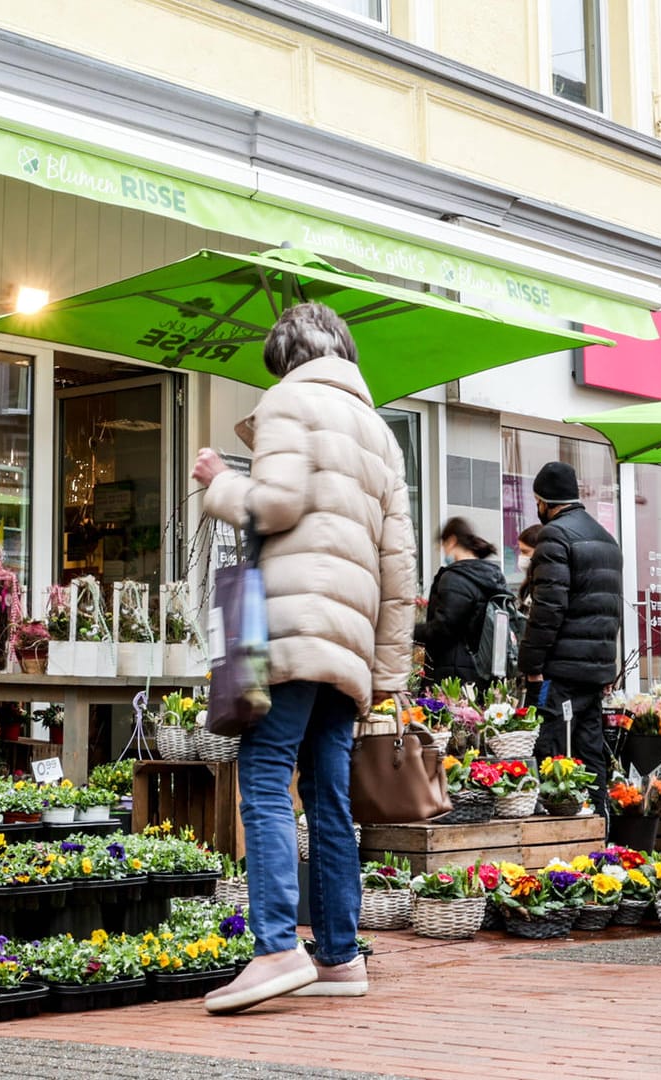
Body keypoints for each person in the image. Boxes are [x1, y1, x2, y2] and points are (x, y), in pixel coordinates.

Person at [192, 302, 415, 1014]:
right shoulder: (381, 433)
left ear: (285, 356)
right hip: (347, 643)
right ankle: (342, 955)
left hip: (291, 625)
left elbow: (279, 503)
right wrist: (386, 672)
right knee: (328, 798)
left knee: (261, 776)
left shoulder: (289, 400)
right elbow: (400, 567)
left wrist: (218, 484)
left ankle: (276, 948)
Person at [519, 462, 622, 816]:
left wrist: (531, 666)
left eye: (537, 502)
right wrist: (607, 669)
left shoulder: (555, 536)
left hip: (559, 672)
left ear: (544, 501)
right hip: (594, 673)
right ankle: (599, 832)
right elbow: (612, 609)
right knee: (590, 754)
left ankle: (557, 840)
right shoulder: (606, 539)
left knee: (552, 756)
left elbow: (547, 610)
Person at [415, 516, 508, 691]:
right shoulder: (492, 576)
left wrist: (407, 631)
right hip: (482, 673)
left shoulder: (456, 578)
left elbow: (443, 628)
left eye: (442, 546)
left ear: (451, 541)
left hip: (453, 676)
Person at [514, 523, 543, 617]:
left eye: (525, 552)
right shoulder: (529, 583)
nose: (521, 556)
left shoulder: (547, 585)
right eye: (520, 551)